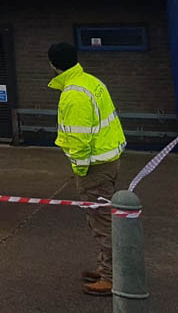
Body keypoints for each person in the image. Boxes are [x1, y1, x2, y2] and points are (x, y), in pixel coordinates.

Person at [48, 41, 127, 297]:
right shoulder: (91, 82)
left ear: (52, 64)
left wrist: (80, 170)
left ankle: (111, 278)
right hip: (109, 160)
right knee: (103, 219)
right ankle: (106, 267)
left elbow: (80, 140)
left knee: (102, 222)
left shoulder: (73, 94)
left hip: (94, 167)